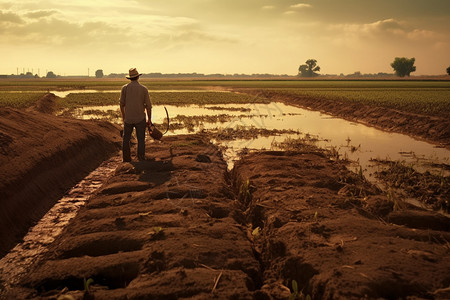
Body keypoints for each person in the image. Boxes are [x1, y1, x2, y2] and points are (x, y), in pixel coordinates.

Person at [120, 68, 152, 162]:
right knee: (141, 139)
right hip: (140, 118)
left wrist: (124, 117)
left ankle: (126, 159)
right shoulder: (143, 89)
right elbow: (148, 106)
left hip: (128, 118)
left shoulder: (124, 88)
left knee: (126, 140)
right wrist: (149, 119)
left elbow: (122, 104)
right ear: (138, 77)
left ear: (130, 78)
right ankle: (141, 158)